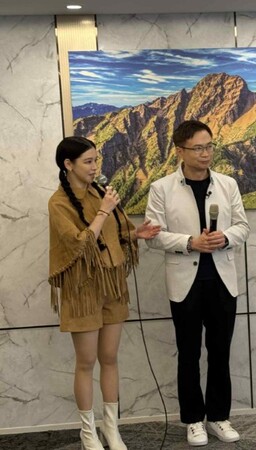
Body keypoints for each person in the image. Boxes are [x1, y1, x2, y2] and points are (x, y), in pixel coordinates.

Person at [48, 136, 161, 450]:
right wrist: (103, 211)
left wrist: (135, 234)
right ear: (68, 165)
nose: (94, 167)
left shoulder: (99, 192)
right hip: (82, 289)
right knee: (86, 362)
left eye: (95, 160)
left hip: (112, 284)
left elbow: (110, 238)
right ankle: (88, 432)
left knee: (109, 357)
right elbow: (80, 244)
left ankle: (111, 428)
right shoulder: (58, 202)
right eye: (88, 161)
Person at [145, 120, 250, 447]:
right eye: (198, 148)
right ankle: (193, 420)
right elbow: (153, 236)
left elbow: (243, 227)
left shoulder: (227, 184)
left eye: (209, 147)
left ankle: (219, 417)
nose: (205, 154)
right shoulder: (162, 188)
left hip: (222, 281)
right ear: (180, 151)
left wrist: (225, 238)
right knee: (188, 354)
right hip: (185, 283)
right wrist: (190, 242)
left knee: (220, 352)